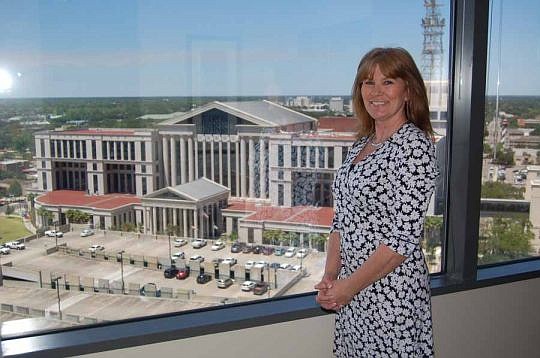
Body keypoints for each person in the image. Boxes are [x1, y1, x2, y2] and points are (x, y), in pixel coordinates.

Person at [315, 47, 438, 357]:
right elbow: (341, 220)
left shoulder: (415, 148)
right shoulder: (362, 144)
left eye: (388, 82)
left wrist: (348, 287)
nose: (376, 91)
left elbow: (400, 242)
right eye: (368, 82)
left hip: (390, 298)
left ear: (408, 90)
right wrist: (331, 278)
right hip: (353, 294)